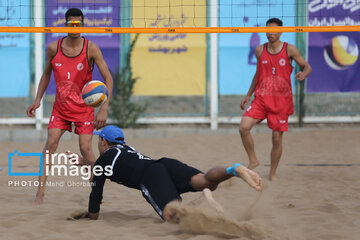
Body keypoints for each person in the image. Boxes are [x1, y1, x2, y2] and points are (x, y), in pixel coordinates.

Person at [70, 125, 263, 221]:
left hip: (151, 177)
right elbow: (106, 166)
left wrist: (91, 214)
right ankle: (233, 169)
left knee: (172, 217)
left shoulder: (106, 158)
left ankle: (202, 204)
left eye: (98, 141)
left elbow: (96, 192)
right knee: (206, 181)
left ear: (103, 142)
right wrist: (84, 163)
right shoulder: (127, 149)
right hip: (164, 164)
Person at [26, 8, 113, 204]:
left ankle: (95, 191)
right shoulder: (53, 48)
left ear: (82, 25)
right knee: (50, 144)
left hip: (83, 109)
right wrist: (37, 99)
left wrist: (104, 108)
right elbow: (46, 75)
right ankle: (40, 192)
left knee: (85, 149)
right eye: (71, 23)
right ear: (66, 24)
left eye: (78, 23)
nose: (75, 27)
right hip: (61, 108)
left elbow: (108, 78)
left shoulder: (91, 48)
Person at [239, 18, 312, 181]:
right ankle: (253, 160)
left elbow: (307, 67)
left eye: (273, 30)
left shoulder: (289, 49)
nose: (270, 32)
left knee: (276, 139)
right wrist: (248, 95)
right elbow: (258, 74)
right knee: (243, 128)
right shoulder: (259, 50)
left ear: (281, 32)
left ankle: (272, 174)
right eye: (268, 29)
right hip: (261, 99)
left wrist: (303, 74)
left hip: (280, 102)